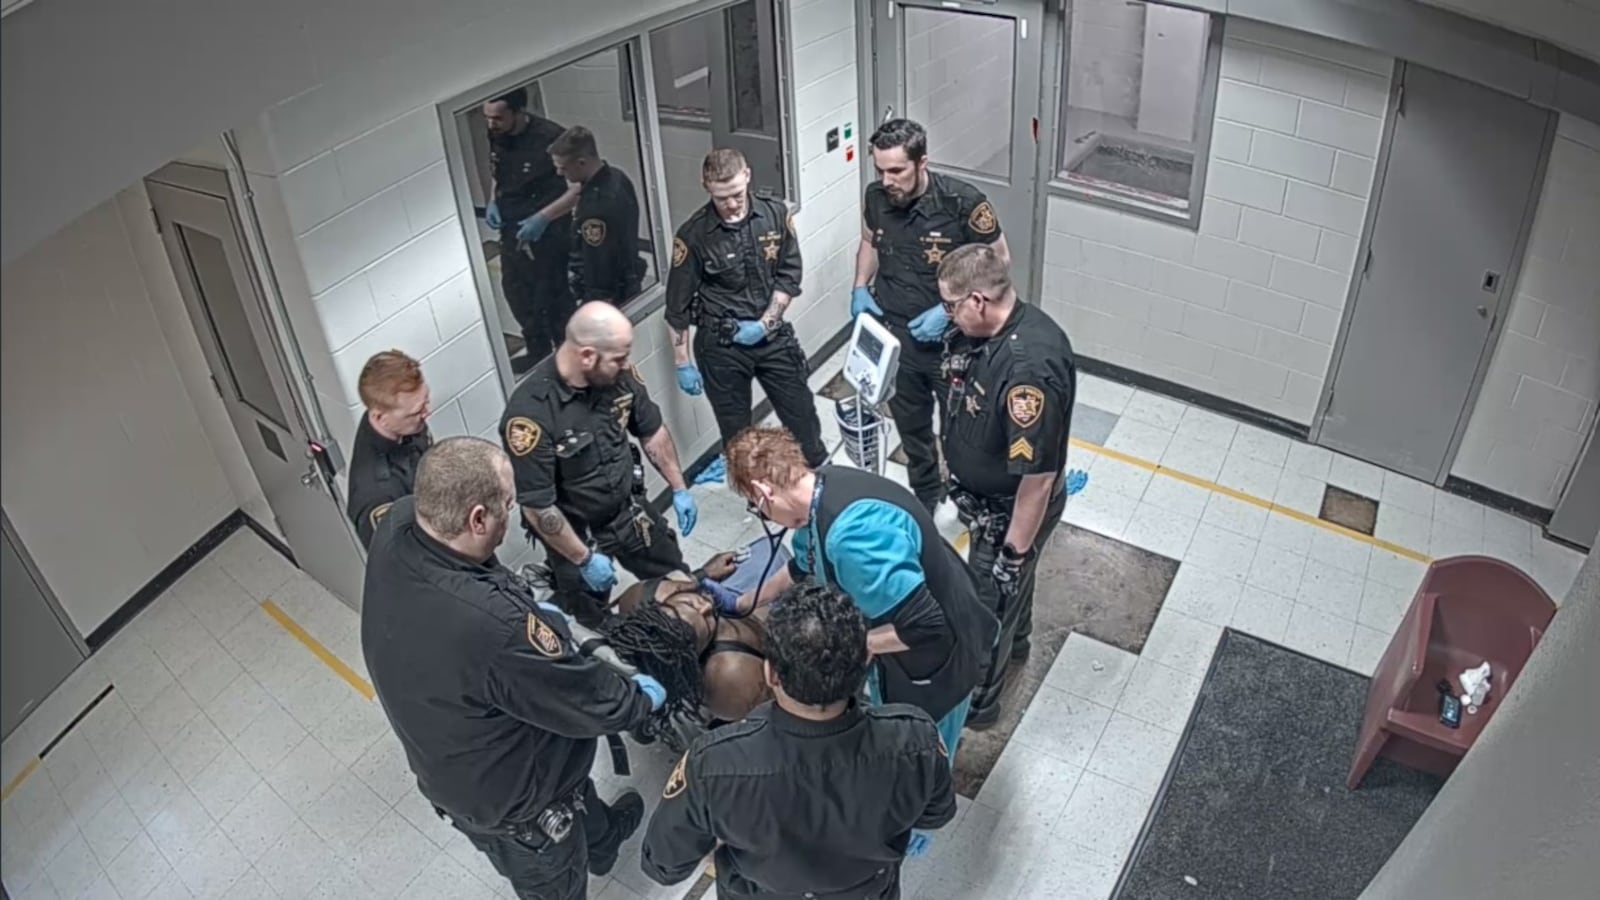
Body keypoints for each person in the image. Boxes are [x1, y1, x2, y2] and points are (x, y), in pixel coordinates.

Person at [361, 436, 666, 899]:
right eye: (508, 503)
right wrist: (639, 698)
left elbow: (485, 581)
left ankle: (601, 843)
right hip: (519, 808)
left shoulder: (403, 521)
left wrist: (531, 611)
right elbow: (585, 696)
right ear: (477, 518)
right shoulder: (490, 627)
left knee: (575, 786)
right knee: (555, 882)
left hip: (457, 756)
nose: (515, 511)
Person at [641, 582, 957, 898]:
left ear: (771, 674)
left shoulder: (712, 768)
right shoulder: (916, 741)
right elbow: (937, 813)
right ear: (865, 661)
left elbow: (664, 865)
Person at [722, 426, 997, 759]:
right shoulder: (820, 486)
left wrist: (842, 646)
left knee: (924, 756)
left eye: (756, 507)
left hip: (937, 661)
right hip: (921, 618)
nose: (762, 514)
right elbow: (803, 564)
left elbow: (923, 626)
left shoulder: (853, 536)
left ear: (762, 491)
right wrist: (743, 601)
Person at [936, 243, 1077, 731]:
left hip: (1009, 510)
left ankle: (978, 703)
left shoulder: (1027, 372)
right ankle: (1018, 641)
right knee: (1009, 596)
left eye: (951, 306)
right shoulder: (987, 334)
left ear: (978, 301)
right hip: (986, 500)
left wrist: (1011, 555)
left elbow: (1035, 483)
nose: (946, 316)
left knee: (986, 604)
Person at [500, 301, 698, 627]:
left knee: (680, 582)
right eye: (618, 358)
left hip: (629, 513)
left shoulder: (619, 377)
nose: (626, 365)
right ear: (588, 356)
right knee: (594, 623)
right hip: (578, 535)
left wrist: (679, 487)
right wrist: (584, 558)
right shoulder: (531, 416)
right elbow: (538, 507)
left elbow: (652, 432)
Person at [853, 119, 1012, 514]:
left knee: (963, 432)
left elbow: (999, 263)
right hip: (898, 339)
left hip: (953, 343)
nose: (887, 180)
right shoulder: (876, 198)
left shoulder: (962, 202)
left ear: (922, 162)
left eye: (897, 171)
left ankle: (969, 503)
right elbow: (869, 241)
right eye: (880, 170)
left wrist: (948, 313)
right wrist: (859, 285)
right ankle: (925, 500)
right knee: (913, 430)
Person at [665, 148, 828, 468]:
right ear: (706, 186)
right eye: (721, 197)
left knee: (802, 415)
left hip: (770, 336)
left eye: (737, 194)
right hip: (721, 346)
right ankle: (755, 493)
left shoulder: (774, 214)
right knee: (737, 434)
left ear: (748, 176)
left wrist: (765, 324)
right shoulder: (694, 235)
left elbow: (789, 274)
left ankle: (820, 476)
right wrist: (681, 362)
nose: (731, 204)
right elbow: (677, 306)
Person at [483, 88, 581, 372]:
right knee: (516, 292)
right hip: (513, 228)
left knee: (552, 296)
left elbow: (579, 187)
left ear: (518, 112)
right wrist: (493, 200)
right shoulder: (497, 134)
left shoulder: (551, 137)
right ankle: (537, 350)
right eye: (488, 118)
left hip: (548, 231)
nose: (492, 124)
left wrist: (543, 218)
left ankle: (568, 358)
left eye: (498, 118)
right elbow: (498, 172)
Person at [606, 554, 768, 723]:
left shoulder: (643, 596)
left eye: (689, 604)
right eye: (707, 622)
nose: (707, 605)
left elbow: (683, 580)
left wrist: (703, 574)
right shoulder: (732, 679)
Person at [548, 126, 646, 305]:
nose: (559, 173)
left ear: (581, 162)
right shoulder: (617, 177)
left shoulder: (597, 208)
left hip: (609, 295)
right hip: (628, 276)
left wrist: (596, 302)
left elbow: (600, 262)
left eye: (564, 168)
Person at [346, 350, 433, 547]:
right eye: (417, 411)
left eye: (426, 400)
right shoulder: (378, 493)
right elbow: (397, 559)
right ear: (379, 417)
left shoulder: (402, 423)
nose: (427, 412)